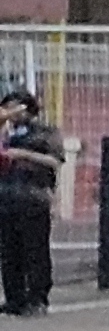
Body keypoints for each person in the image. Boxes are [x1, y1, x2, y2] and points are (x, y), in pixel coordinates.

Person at [0, 87, 57, 315]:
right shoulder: (5, 133)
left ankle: (38, 298)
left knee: (35, 250)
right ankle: (14, 298)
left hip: (33, 196)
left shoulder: (45, 132)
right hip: (6, 196)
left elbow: (54, 160)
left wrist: (23, 155)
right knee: (8, 250)